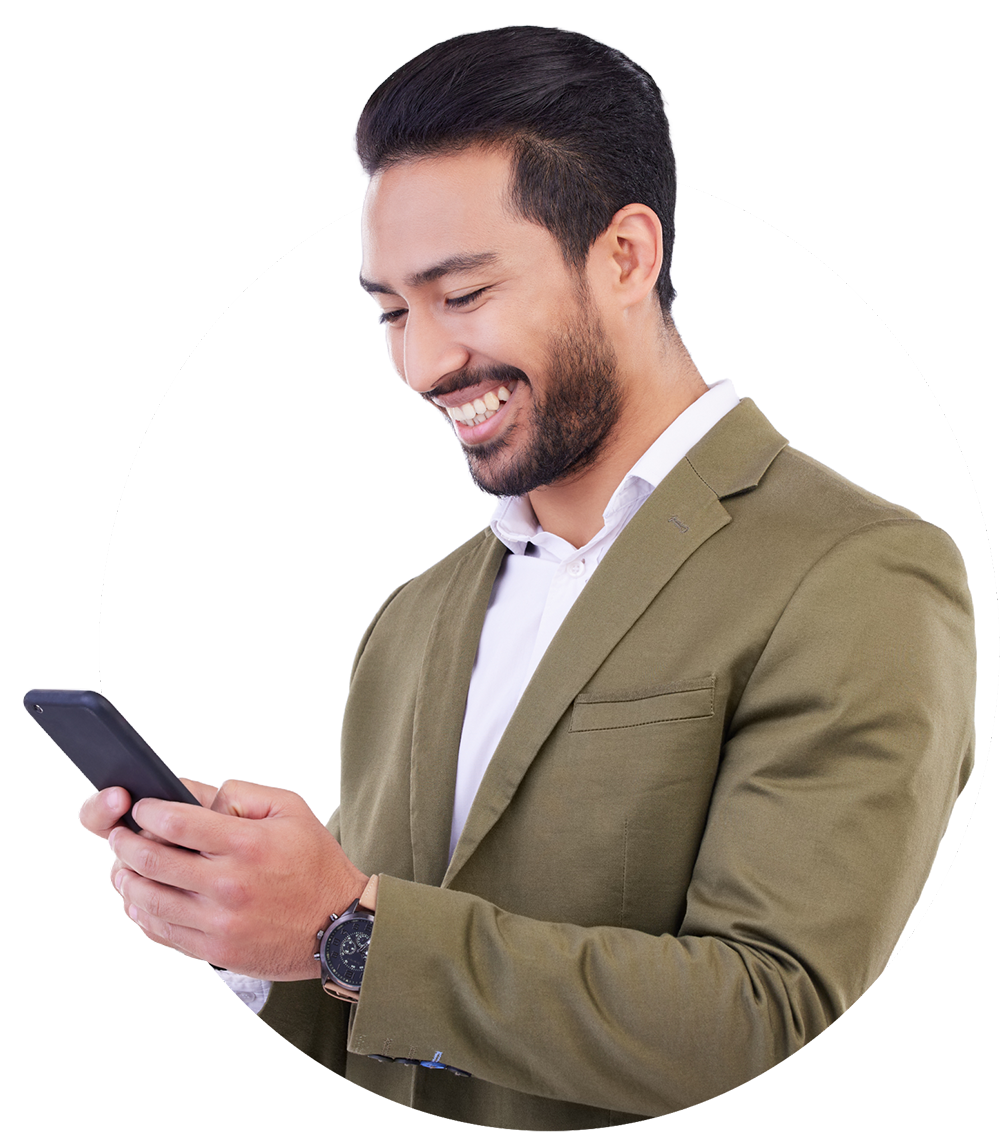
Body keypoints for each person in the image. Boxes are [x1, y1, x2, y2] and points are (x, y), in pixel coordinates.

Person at [79, 25, 976, 1130]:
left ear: (625, 256)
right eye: (392, 311)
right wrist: (248, 919)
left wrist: (343, 924)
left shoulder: (858, 573)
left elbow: (768, 1024)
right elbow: (402, 1027)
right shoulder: (414, 618)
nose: (422, 363)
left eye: (462, 293)